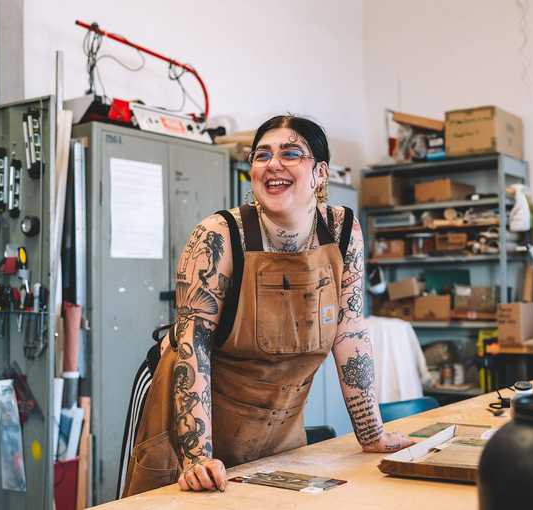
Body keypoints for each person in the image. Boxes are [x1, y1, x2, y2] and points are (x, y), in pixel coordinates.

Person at [122, 115, 414, 497]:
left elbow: (350, 331)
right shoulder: (218, 235)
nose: (273, 164)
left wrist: (371, 432)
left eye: (291, 153)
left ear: (320, 174)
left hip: (278, 427)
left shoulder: (343, 232)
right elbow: (194, 345)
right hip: (186, 426)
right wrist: (197, 457)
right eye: (262, 155)